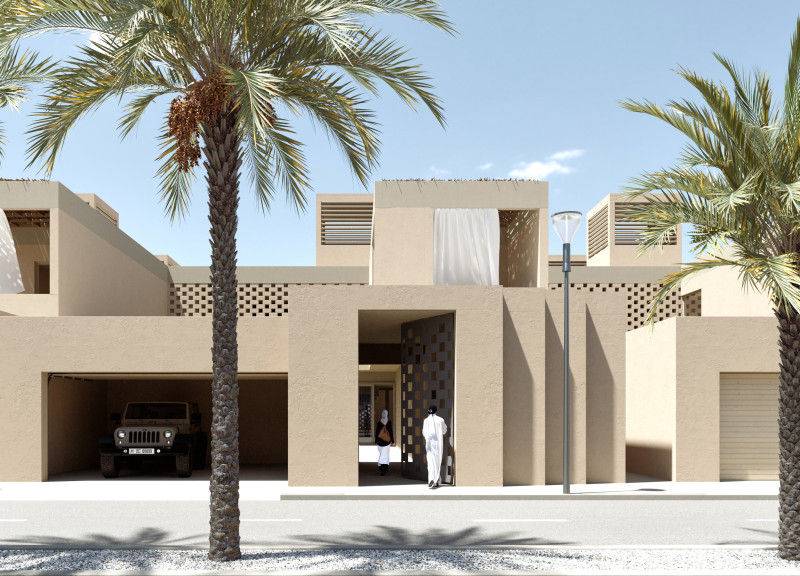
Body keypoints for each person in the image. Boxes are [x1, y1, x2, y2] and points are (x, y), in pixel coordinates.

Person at [422, 404, 447, 488]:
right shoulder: (440, 420)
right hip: (438, 444)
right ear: (436, 411)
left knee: (430, 462)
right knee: (437, 461)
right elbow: (444, 431)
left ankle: (431, 479)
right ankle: (435, 480)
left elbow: (424, 432)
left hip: (429, 444)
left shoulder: (426, 421)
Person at [375, 409, 395, 475]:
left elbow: (377, 432)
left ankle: (381, 468)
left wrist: (376, 440)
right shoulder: (389, 422)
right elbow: (391, 432)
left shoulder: (379, 422)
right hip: (387, 442)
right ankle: (384, 469)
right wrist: (393, 441)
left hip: (380, 442)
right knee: (385, 455)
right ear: (387, 414)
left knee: (382, 454)